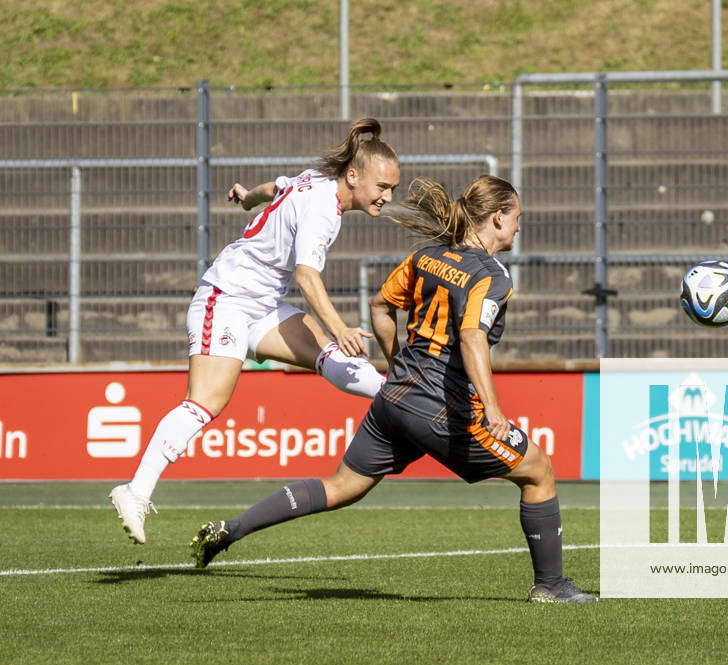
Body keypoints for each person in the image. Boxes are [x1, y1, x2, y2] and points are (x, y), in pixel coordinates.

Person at [188, 175, 597, 603]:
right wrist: (493, 410)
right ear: (497, 218)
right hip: (444, 407)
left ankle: (231, 529)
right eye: (516, 218)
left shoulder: (426, 256)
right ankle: (550, 585)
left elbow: (381, 306)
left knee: (341, 486)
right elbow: (473, 337)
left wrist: (397, 360)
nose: (517, 228)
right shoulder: (493, 276)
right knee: (539, 472)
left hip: (394, 397)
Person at [109, 118, 401, 545]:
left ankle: (403, 395)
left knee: (332, 359)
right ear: (353, 176)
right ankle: (134, 491)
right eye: (382, 187)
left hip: (262, 306)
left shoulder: (316, 180)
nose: (388, 197)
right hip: (224, 298)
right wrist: (338, 326)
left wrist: (248, 199)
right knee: (207, 401)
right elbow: (306, 276)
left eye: (392, 188)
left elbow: (274, 188)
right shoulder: (323, 209)